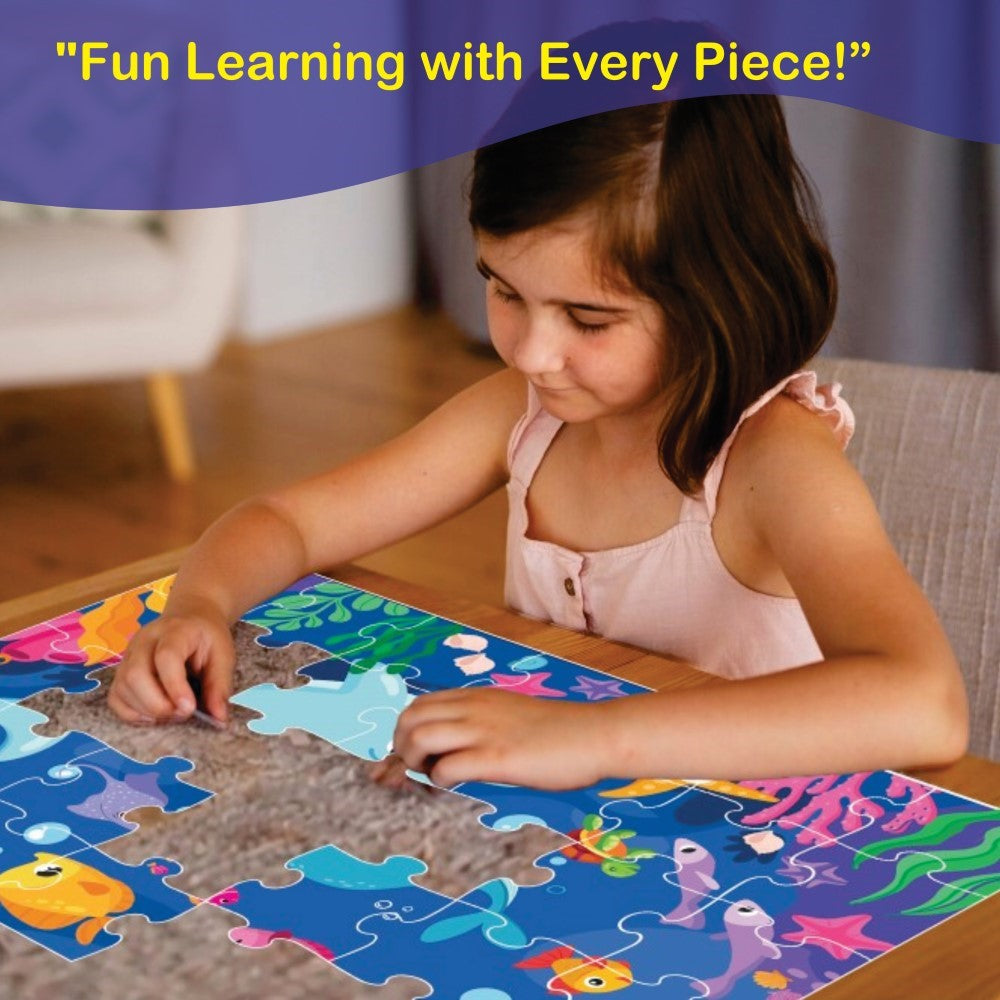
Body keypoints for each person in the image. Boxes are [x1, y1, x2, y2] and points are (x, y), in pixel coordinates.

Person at [109, 95, 968, 790]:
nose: (529, 352)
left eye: (588, 318)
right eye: (504, 289)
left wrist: (596, 737)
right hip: (566, 836)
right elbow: (290, 522)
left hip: (754, 853)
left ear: (718, 292)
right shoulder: (521, 416)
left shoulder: (773, 462)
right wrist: (199, 607)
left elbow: (924, 705)